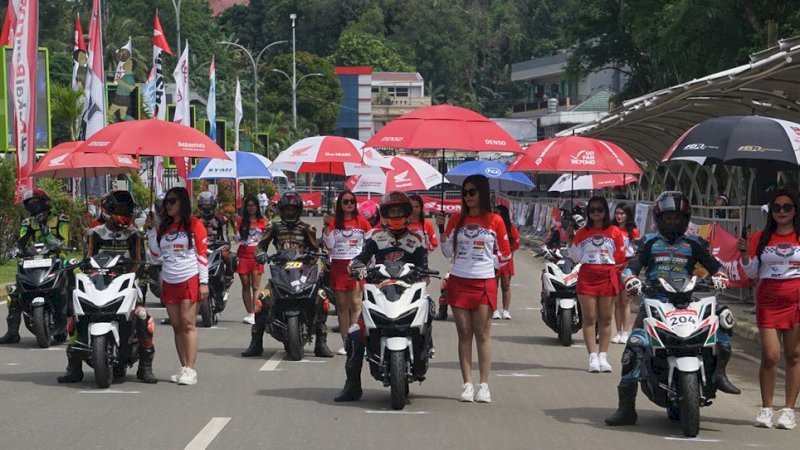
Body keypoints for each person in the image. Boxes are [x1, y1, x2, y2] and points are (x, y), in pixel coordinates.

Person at [606, 191, 739, 427]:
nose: (672, 222)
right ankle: (626, 409)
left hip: (688, 300)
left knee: (725, 316)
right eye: (668, 217)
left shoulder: (695, 243)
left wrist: (720, 276)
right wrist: (630, 279)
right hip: (654, 302)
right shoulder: (648, 242)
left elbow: (715, 266)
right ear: (659, 218)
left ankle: (719, 372)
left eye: (677, 217)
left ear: (685, 218)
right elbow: (631, 267)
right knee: (634, 346)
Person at [335, 191, 431, 402]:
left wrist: (423, 276)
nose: (396, 215)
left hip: (408, 291)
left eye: (399, 211)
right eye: (391, 211)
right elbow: (360, 258)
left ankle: (424, 352)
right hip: (380, 291)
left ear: (407, 212)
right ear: (385, 213)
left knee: (429, 307)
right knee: (355, 334)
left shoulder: (417, 239)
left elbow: (425, 268)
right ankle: (352, 386)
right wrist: (356, 267)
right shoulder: (374, 237)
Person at [59, 190, 157, 384]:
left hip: (127, 281)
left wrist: (135, 279)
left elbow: (139, 261)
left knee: (142, 316)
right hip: (99, 281)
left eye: (128, 209)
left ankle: (145, 367)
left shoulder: (135, 234)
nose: (126, 213)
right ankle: (73, 367)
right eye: (122, 209)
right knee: (77, 316)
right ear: (110, 210)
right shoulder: (95, 233)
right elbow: (88, 259)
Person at [436, 175, 511, 403]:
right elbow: (447, 252)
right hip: (459, 281)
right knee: (464, 333)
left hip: (484, 282)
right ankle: (467, 383)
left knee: (483, 334)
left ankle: (483, 384)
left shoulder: (495, 220)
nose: (467, 196)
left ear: (482, 193)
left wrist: (488, 265)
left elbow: (506, 254)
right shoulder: (456, 219)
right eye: (465, 192)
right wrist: (441, 228)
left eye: (472, 192)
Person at [241, 191, 333, 358]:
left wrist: (320, 256)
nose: (290, 212)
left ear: (299, 209)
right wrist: (260, 255)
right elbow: (261, 246)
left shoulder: (308, 228)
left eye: (293, 209)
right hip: (281, 269)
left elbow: (316, 249)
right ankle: (256, 343)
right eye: (287, 209)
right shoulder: (273, 227)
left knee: (322, 297)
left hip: (304, 271)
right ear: (282, 210)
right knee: (262, 299)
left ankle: (321, 342)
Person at [737, 189, 800, 429]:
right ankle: (766, 408)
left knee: (794, 355)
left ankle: (789, 410)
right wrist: (744, 254)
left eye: (787, 207)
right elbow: (752, 272)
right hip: (768, 302)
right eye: (777, 207)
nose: (782, 212)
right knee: (770, 356)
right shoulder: (760, 238)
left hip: (796, 300)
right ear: (771, 211)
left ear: (795, 210)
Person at [146, 187, 208, 386]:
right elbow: (156, 255)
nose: (168, 205)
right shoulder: (164, 227)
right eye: (166, 202)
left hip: (189, 278)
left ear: (183, 202)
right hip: (169, 280)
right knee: (177, 326)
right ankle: (183, 367)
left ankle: (191, 368)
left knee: (188, 323)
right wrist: (151, 231)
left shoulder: (195, 224)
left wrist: (204, 282)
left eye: (172, 201)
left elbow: (202, 254)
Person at [0, 189, 69, 344]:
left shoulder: (60, 219)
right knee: (15, 292)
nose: (32, 206)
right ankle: (12, 332)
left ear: (44, 202)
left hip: (57, 260)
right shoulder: (28, 222)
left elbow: (63, 242)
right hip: (33, 260)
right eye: (29, 203)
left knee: (72, 281)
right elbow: (22, 242)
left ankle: (76, 329)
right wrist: (17, 249)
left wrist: (46, 230)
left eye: (34, 202)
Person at [567, 196, 626, 373]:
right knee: (589, 318)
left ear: (605, 211)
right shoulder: (582, 232)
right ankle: (593, 356)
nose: (596, 213)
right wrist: (570, 238)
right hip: (587, 276)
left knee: (605, 318)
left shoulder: (615, 231)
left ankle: (603, 356)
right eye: (592, 209)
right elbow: (575, 257)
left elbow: (620, 256)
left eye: (599, 209)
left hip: (607, 274)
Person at [322, 190, 371, 356]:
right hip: (338, 266)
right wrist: (326, 226)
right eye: (345, 201)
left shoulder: (362, 222)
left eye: (352, 201)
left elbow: (370, 243)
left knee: (356, 304)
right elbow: (329, 245)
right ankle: (346, 342)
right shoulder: (333, 222)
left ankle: (356, 340)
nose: (349, 204)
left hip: (356, 266)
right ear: (340, 205)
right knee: (342, 306)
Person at [235, 196, 269, 325]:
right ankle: (249, 313)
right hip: (243, 255)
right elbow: (237, 239)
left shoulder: (263, 222)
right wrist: (235, 227)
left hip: (256, 256)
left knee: (255, 286)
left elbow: (267, 238)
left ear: (257, 207)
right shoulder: (241, 221)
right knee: (245, 285)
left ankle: (255, 313)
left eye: (253, 205)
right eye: (248, 205)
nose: (251, 208)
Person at [611, 202, 639, 344]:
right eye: (617, 213)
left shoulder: (633, 232)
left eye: (622, 213)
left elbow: (636, 251)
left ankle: (626, 332)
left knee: (625, 301)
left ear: (627, 215)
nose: (619, 216)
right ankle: (618, 331)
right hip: (613, 267)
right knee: (617, 302)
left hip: (627, 268)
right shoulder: (611, 229)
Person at [196, 191, 234, 284]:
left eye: (209, 205)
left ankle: (228, 278)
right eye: (204, 205)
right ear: (200, 206)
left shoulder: (222, 220)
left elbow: (225, 238)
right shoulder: (194, 220)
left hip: (216, 248)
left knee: (232, 257)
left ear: (213, 205)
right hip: (198, 248)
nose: (206, 208)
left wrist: (224, 247)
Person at [493, 204, 519, 320]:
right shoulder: (491, 226)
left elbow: (516, 243)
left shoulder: (511, 228)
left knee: (506, 285)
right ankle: (494, 310)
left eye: (497, 212)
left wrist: (509, 252)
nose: (495, 214)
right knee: (493, 286)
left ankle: (505, 311)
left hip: (506, 260)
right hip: (493, 258)